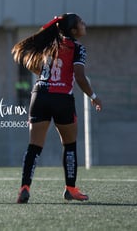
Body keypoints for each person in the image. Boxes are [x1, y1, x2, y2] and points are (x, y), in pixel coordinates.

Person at [11, 13, 102, 204]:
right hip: (62, 99)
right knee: (69, 145)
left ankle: (24, 187)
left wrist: (44, 74)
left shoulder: (48, 45)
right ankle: (71, 189)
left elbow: (30, 62)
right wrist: (93, 97)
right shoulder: (77, 48)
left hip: (39, 96)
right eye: (81, 23)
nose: (85, 25)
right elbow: (79, 76)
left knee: (34, 146)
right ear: (74, 30)